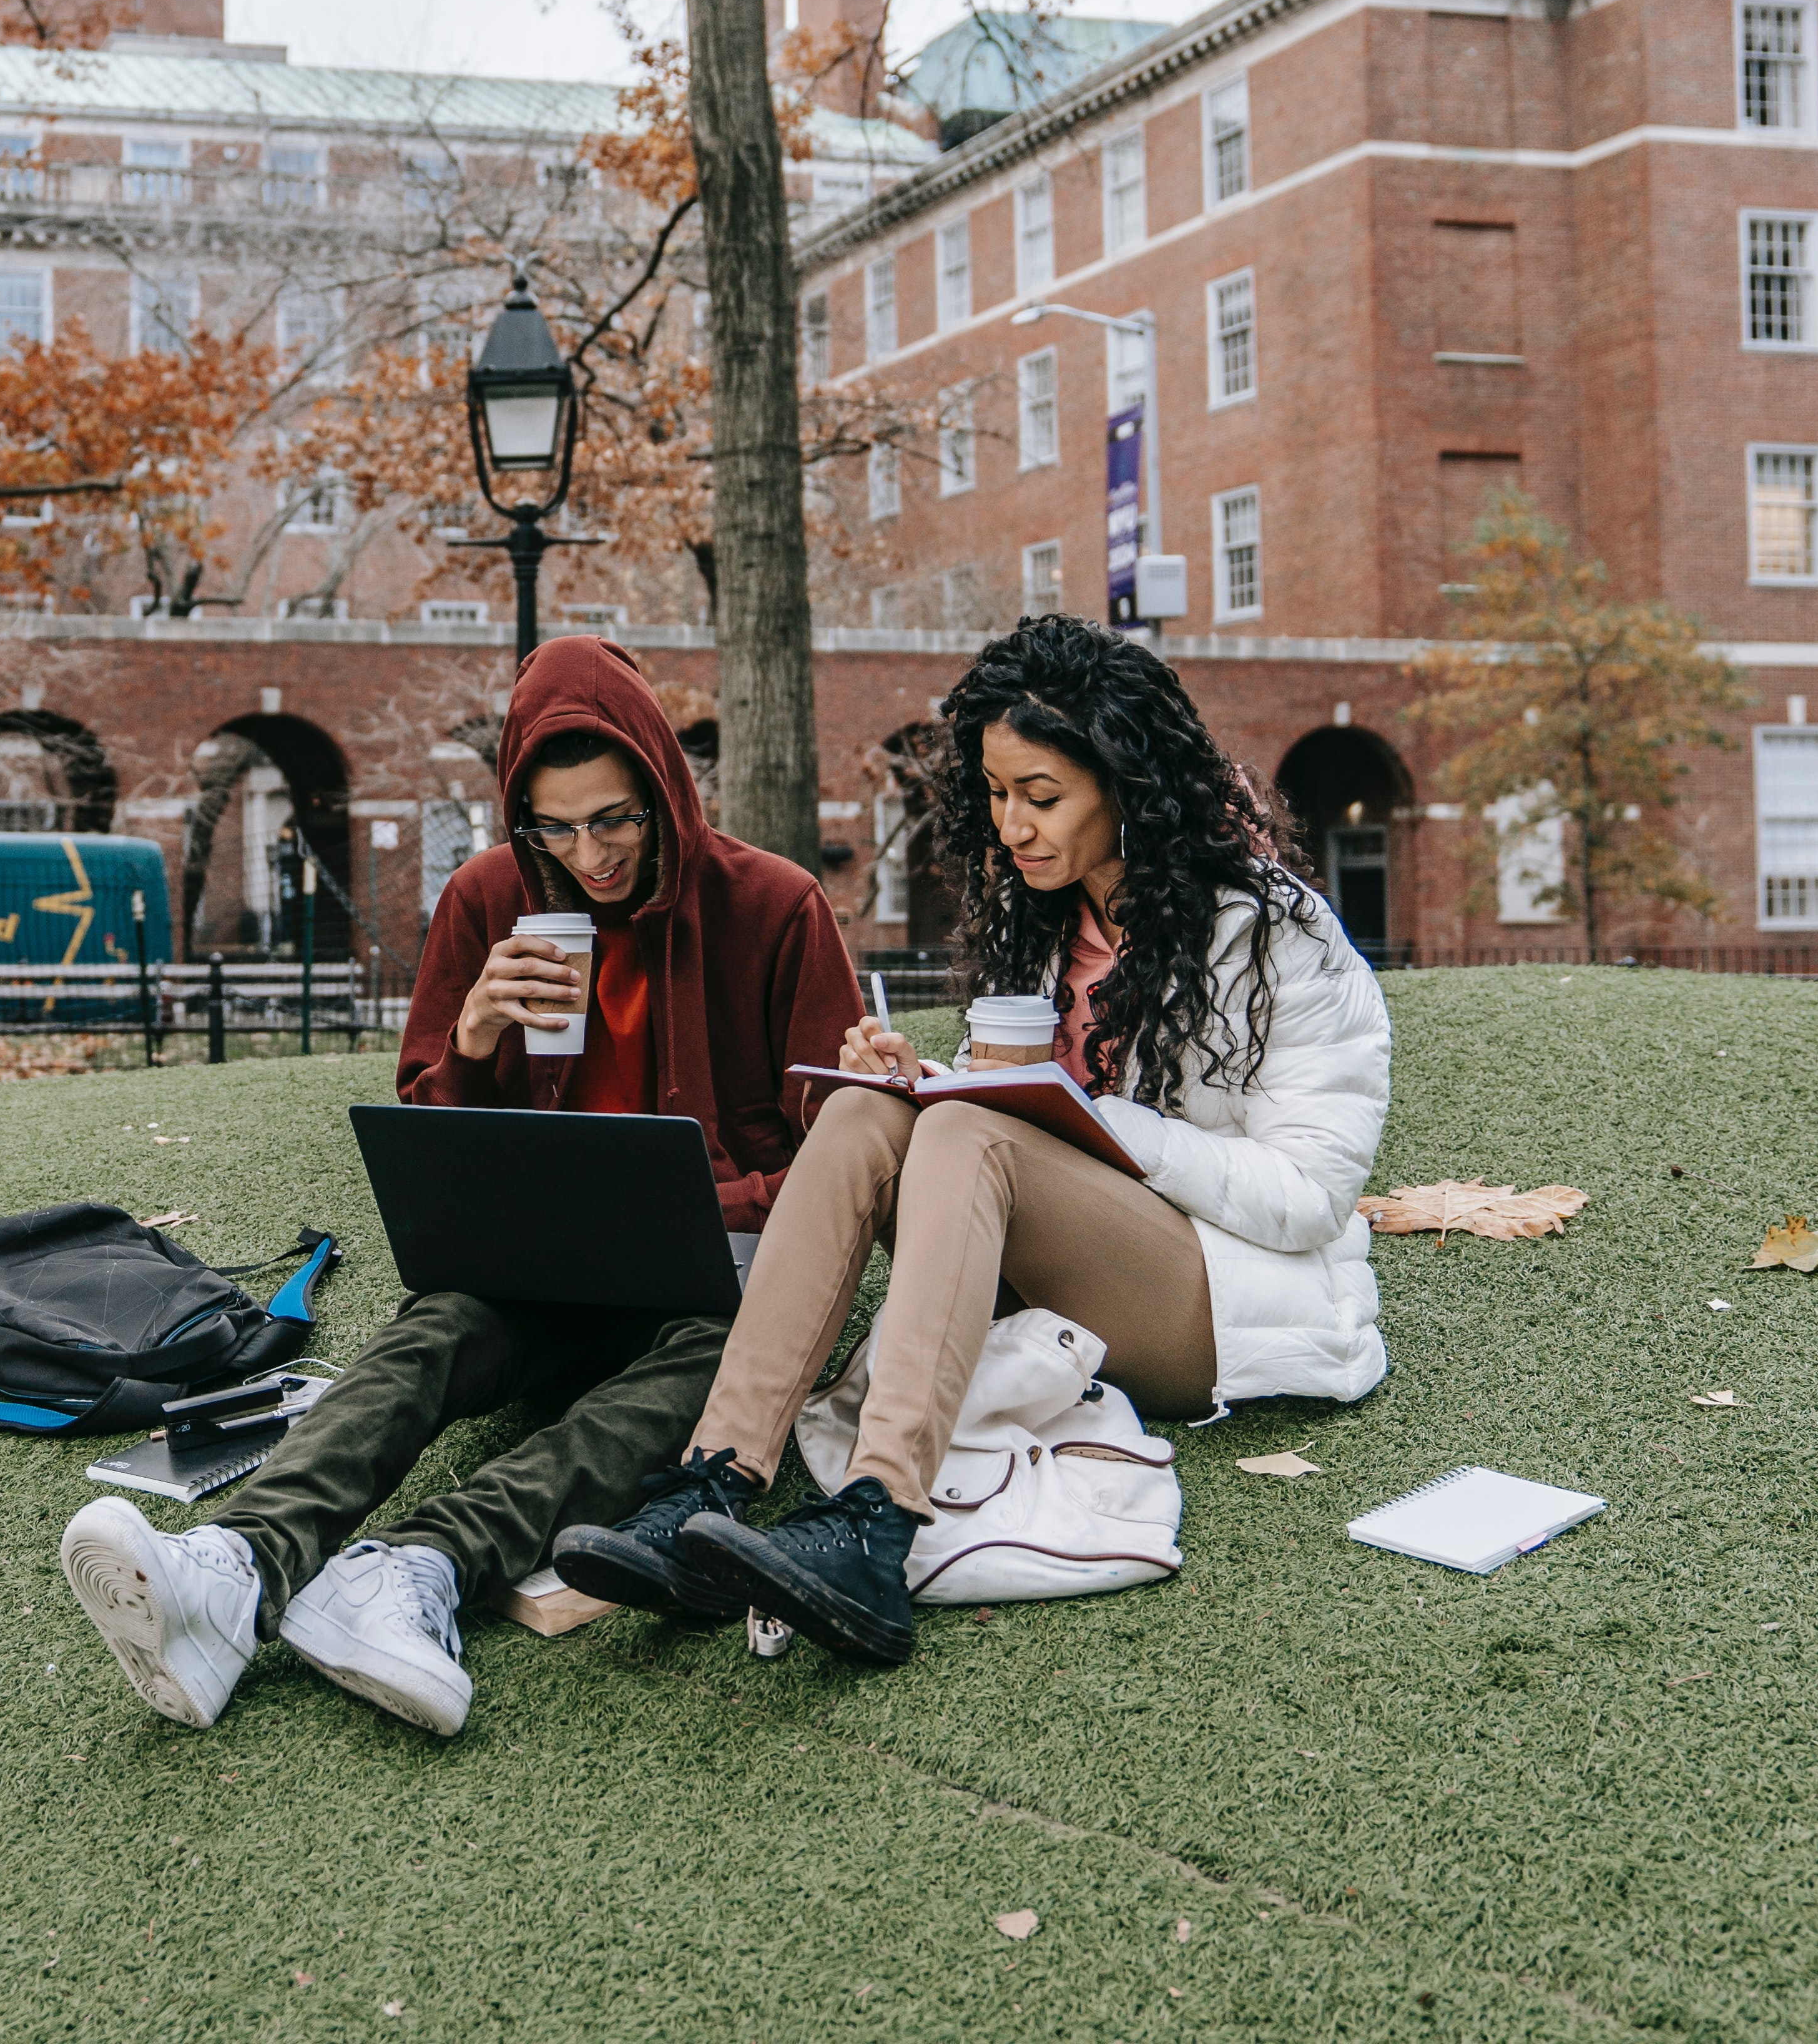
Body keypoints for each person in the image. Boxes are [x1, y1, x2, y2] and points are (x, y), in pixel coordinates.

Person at [58, 636, 862, 1736]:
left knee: (714, 1368)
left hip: (710, 1281)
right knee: (434, 1327)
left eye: (619, 818)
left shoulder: (775, 905)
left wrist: (738, 1188)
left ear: (667, 790)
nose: (593, 855)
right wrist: (477, 1037)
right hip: (542, 1270)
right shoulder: (488, 898)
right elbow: (431, 1143)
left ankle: (419, 1567)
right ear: (517, 815)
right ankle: (235, 1566)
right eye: (556, 826)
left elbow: (840, 1154)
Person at [557, 614, 1390, 1663]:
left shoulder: (1274, 934)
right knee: (870, 1111)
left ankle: (875, 1519)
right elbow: (1029, 1118)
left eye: (1042, 798)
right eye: (997, 797)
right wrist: (931, 1079)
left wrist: (1081, 1120)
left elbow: (1310, 1195)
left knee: (967, 1142)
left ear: (1130, 786)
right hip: (1057, 1262)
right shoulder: (1046, 923)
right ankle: (711, 1479)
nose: (1014, 827)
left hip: (1218, 1296)